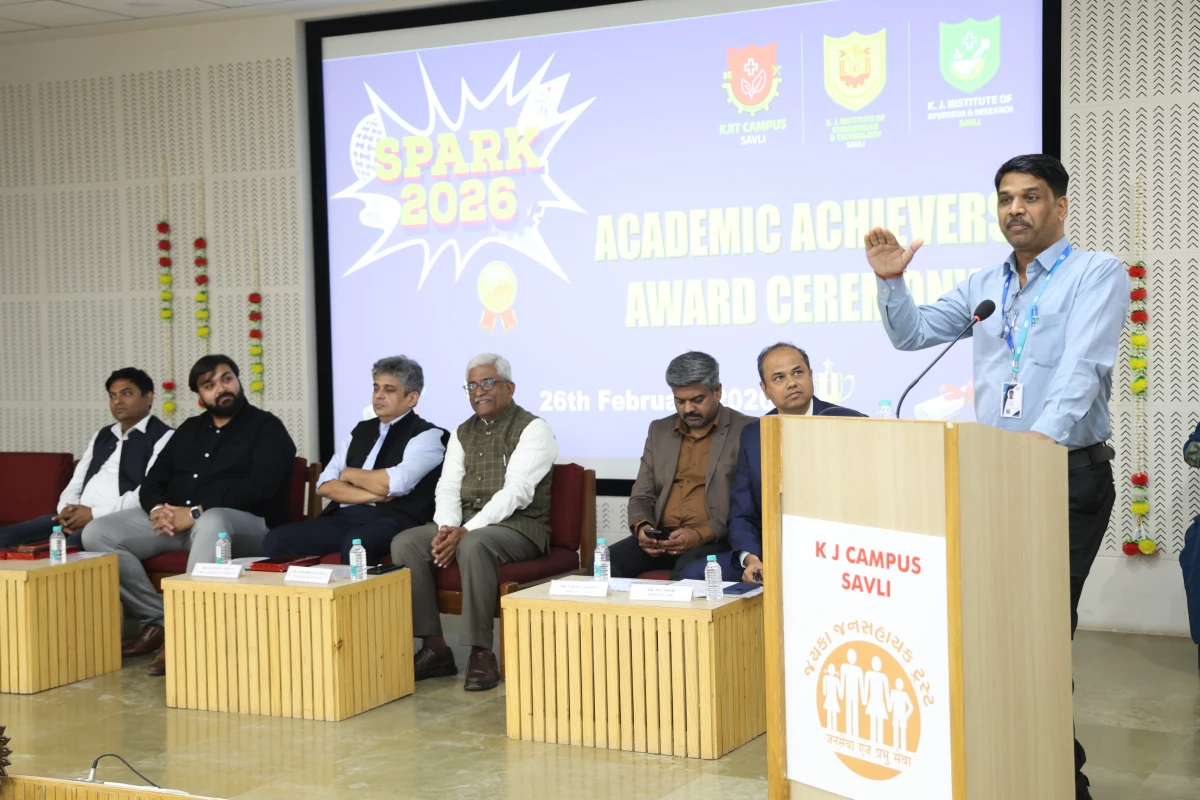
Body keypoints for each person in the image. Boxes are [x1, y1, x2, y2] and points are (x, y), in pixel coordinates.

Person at [865, 153, 1128, 800]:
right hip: (996, 481)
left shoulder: (1096, 273)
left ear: (1060, 206)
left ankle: (1062, 780)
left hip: (1063, 476)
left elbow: (1084, 367)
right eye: (1006, 198)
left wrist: (1041, 442)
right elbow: (912, 335)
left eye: (1031, 197)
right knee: (1000, 630)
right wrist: (893, 282)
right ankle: (1013, 766)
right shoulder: (986, 284)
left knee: (1040, 632)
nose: (1016, 209)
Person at [83, 355, 296, 676]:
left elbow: (261, 487)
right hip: (181, 525)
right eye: (209, 385)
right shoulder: (189, 429)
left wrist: (196, 511)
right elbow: (152, 482)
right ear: (200, 395)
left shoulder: (267, 427)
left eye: (227, 379)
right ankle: (162, 620)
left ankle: (186, 635)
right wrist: (158, 509)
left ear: (238, 381)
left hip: (245, 527)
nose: (221, 389)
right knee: (97, 533)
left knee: (212, 520)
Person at [391, 353, 556, 692]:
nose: (479, 391)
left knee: (474, 543)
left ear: (510, 387)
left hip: (520, 526)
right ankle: (435, 648)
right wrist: (446, 529)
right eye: (472, 385)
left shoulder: (534, 428)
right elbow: (448, 487)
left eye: (487, 382)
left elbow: (517, 492)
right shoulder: (461, 432)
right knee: (405, 543)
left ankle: (482, 653)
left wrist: (465, 531)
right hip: (465, 524)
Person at [692, 343, 864, 582]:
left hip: (837, 551)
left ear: (811, 375)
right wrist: (751, 558)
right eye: (779, 378)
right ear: (765, 389)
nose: (791, 383)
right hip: (774, 551)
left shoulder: (852, 423)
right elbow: (742, 512)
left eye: (798, 373)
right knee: (693, 573)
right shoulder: (755, 434)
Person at [264, 356, 447, 564]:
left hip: (393, 519)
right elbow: (324, 485)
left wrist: (349, 474)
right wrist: (374, 495)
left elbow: (394, 483)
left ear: (412, 398)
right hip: (345, 516)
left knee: (356, 544)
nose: (378, 396)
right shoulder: (361, 430)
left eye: (389, 390)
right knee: (276, 540)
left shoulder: (429, 435)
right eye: (376, 388)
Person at [612, 351, 751, 580]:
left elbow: (748, 506)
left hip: (715, 538)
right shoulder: (659, 431)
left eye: (697, 400)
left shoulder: (747, 430)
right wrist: (643, 528)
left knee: (685, 574)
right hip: (662, 538)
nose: (688, 409)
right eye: (680, 401)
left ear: (717, 391)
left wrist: (701, 534)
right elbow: (642, 496)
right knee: (603, 563)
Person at [0, 368, 171, 549]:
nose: (117, 401)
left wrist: (93, 514)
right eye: (112, 396)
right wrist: (67, 511)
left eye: (126, 393)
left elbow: (146, 493)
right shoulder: (102, 435)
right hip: (77, 516)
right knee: (6, 536)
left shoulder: (164, 437)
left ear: (148, 397)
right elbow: (77, 481)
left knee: (66, 551)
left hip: (115, 521)